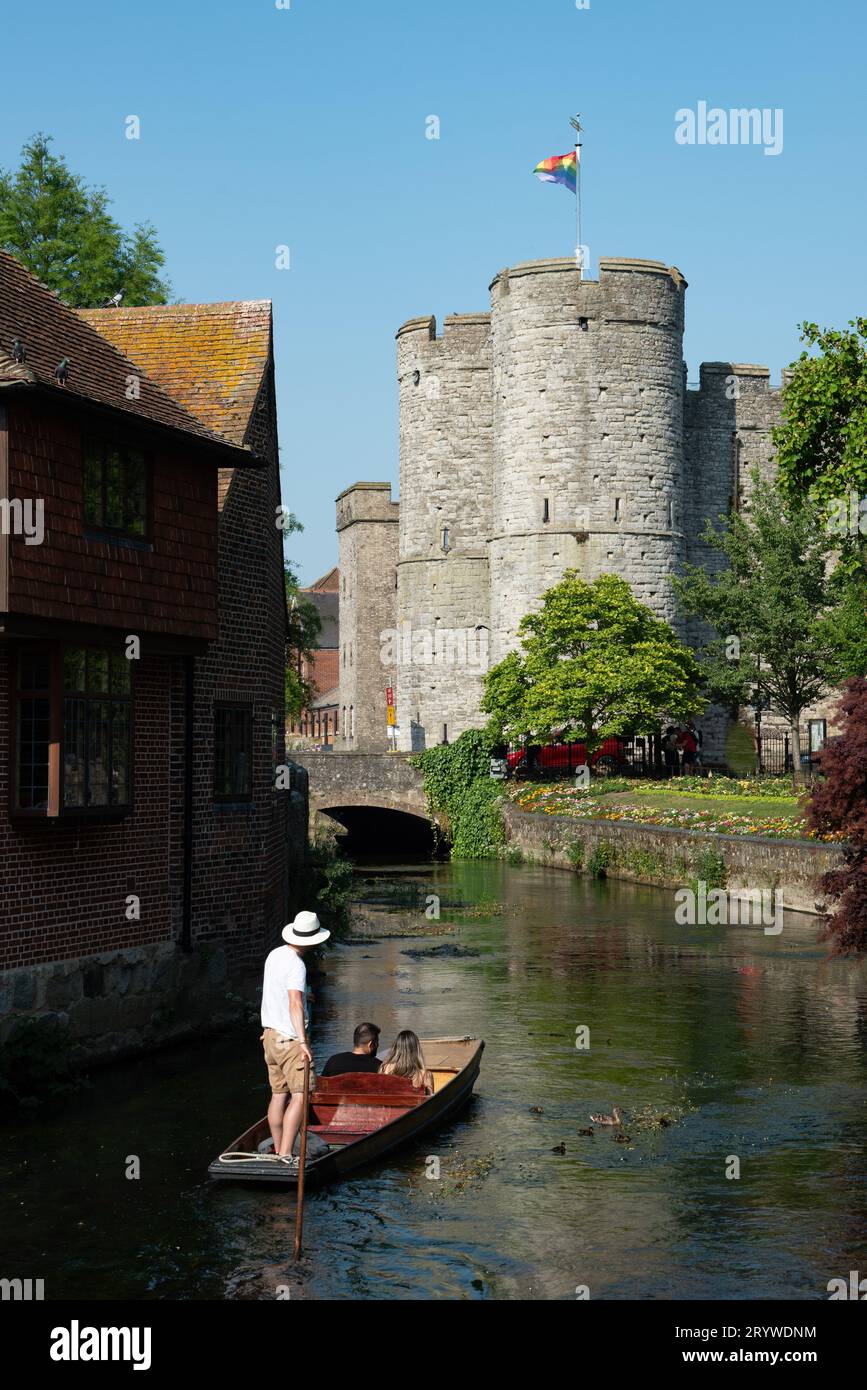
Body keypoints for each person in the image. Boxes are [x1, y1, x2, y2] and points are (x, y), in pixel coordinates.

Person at [260, 910, 331, 1166]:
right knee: (301, 1095)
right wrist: (302, 1041)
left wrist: (303, 999)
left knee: (278, 1095)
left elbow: (276, 993)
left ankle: (279, 1149)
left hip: (269, 1036)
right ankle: (287, 1155)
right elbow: (293, 1004)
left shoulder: (274, 955)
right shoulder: (297, 964)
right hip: (290, 1039)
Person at [380, 1029, 434, 1094]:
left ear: (396, 1048)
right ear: (417, 1050)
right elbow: (432, 1101)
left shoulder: (384, 1069)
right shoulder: (425, 1075)